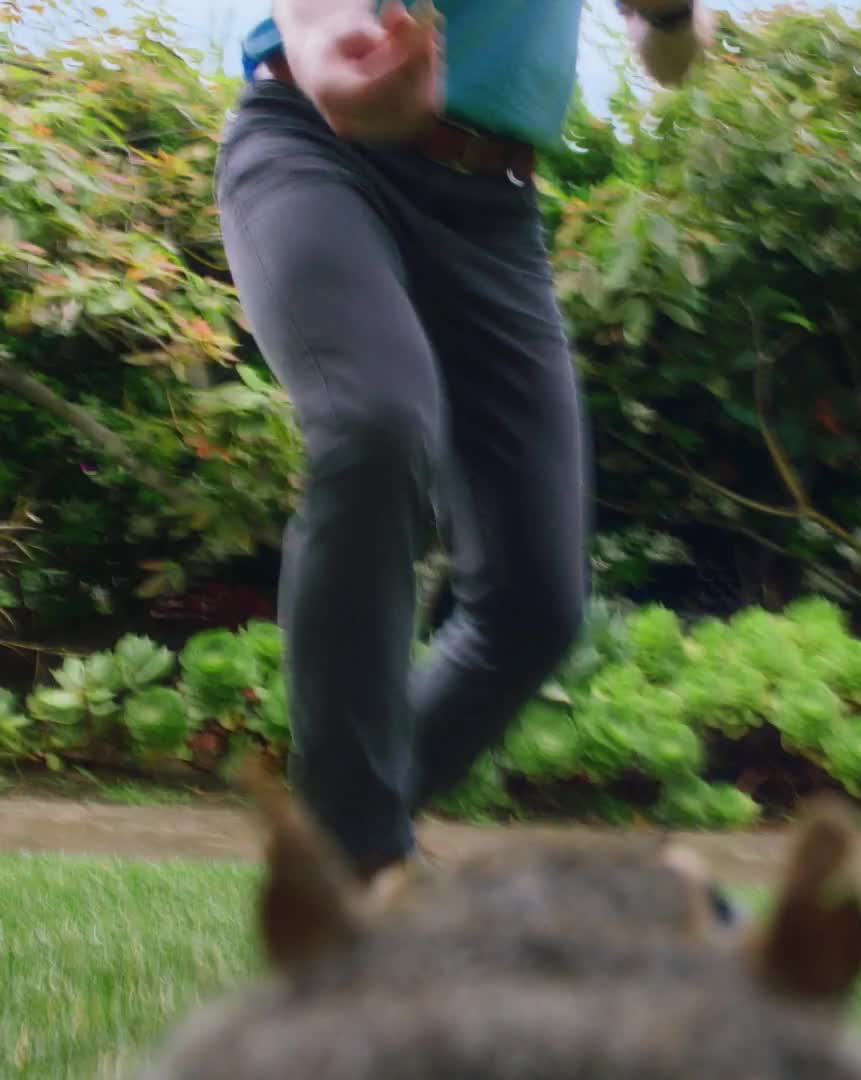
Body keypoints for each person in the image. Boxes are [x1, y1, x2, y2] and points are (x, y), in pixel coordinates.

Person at [214, 0, 712, 878]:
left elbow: (673, 59)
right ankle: (358, 855)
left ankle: (339, 852)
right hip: (316, 150)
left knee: (535, 604)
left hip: (495, 212)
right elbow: (318, 25)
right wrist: (336, 61)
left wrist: (670, 14)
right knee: (372, 421)